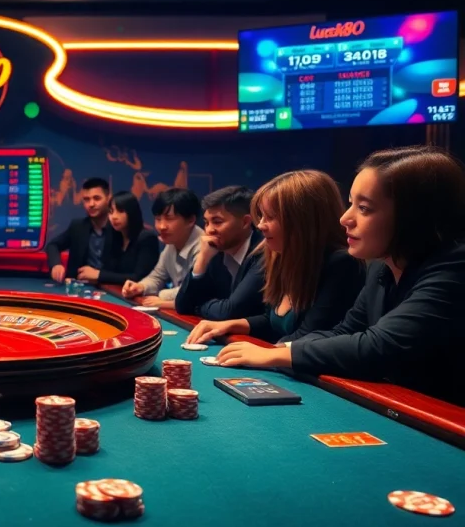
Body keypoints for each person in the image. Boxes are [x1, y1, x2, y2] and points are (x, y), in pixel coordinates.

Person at [217, 147, 465, 405]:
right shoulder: (382, 266)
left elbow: (379, 346)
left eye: (365, 208)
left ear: (414, 217)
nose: (346, 218)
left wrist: (272, 356)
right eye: (350, 204)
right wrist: (280, 349)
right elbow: (344, 330)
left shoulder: (455, 266)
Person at [186, 171, 364, 346]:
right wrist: (229, 325)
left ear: (303, 221)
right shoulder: (280, 256)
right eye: (261, 216)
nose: (261, 225)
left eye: (270, 217)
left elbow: (307, 337)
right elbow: (271, 322)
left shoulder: (341, 264)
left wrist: (263, 355)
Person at [175, 186, 265, 320]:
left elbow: (228, 312)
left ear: (245, 222)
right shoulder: (214, 251)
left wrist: (198, 306)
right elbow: (182, 306)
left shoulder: (263, 252)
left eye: (217, 222)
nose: (209, 230)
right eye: (206, 223)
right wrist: (202, 260)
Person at [120, 188, 203, 309]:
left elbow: (193, 292)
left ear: (191, 220)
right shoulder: (172, 241)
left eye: (169, 219)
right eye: (158, 219)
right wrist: (140, 287)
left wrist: (162, 296)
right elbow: (157, 276)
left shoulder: (203, 247)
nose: (161, 226)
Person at [81, 190, 158, 284]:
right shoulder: (114, 236)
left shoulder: (147, 238)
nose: (114, 217)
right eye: (111, 212)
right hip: (115, 292)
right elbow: (108, 269)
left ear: (132, 212)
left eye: (120, 211)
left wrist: (99, 275)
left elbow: (139, 278)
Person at [45, 177, 111, 283]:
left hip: (109, 290)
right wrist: (56, 265)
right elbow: (53, 246)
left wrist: (99, 275)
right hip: (78, 288)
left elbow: (128, 272)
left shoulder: (120, 229)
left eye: (97, 198)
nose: (91, 204)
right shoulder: (78, 226)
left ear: (108, 198)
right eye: (86, 199)